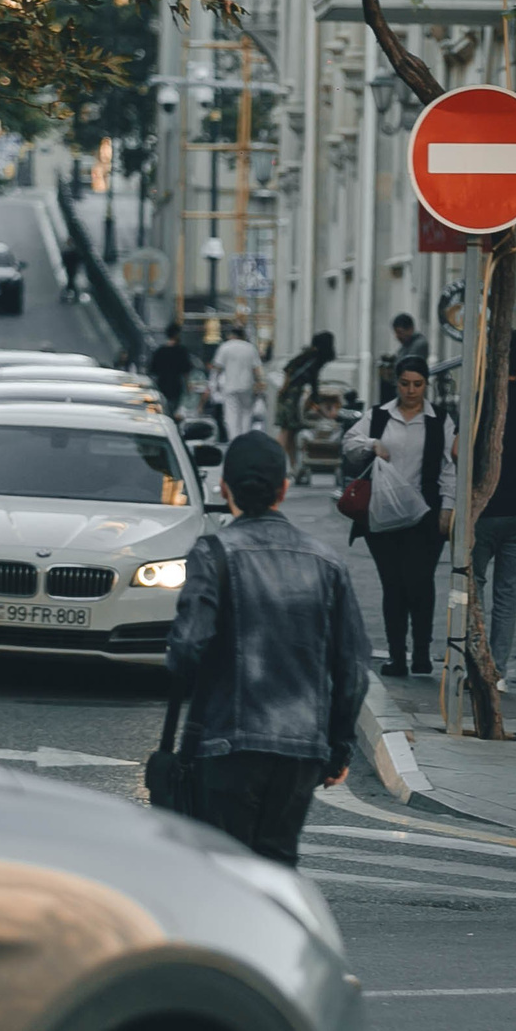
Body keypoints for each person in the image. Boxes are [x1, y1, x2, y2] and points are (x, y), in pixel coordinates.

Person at [163, 431, 369, 864]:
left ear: (224, 488)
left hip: (226, 746)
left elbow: (184, 652)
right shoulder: (327, 562)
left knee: (225, 871)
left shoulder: (212, 553)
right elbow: (352, 670)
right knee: (278, 865)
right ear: (284, 489)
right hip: (300, 750)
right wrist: (339, 750)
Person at [341, 356, 456, 677]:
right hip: (382, 515)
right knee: (393, 585)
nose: (411, 390)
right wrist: (372, 443)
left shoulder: (440, 421)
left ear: (426, 385)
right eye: (405, 384)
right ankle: (396, 655)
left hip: (425, 516)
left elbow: (450, 467)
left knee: (420, 583)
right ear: (397, 384)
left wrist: (447, 507)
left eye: (418, 384)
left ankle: (421, 653)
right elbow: (349, 443)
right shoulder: (378, 417)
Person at [471, 332, 516, 685]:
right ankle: (495, 669)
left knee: (474, 588)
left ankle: (475, 660)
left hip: (485, 508)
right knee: (507, 594)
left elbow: (461, 452)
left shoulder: (482, 403)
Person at [279, 330, 337, 476]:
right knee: (287, 431)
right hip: (291, 395)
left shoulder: (313, 356)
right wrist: (284, 389)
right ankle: (280, 464)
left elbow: (313, 382)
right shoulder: (312, 357)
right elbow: (290, 369)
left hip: (292, 394)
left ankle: (292, 466)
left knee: (291, 432)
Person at [213, 322, 264, 438]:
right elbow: (257, 370)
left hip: (230, 387)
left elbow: (217, 369)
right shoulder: (250, 348)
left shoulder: (225, 347)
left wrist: (214, 386)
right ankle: (245, 438)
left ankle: (234, 440)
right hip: (247, 387)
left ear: (231, 334)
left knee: (231, 417)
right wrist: (260, 385)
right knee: (246, 415)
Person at [151, 321, 194, 418]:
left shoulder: (160, 351)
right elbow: (186, 371)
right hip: (176, 385)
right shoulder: (181, 351)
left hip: (162, 384)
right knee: (173, 410)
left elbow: (154, 371)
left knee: (163, 408)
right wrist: (188, 386)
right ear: (176, 334)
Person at [381, 313, 429, 385]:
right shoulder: (406, 345)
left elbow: (408, 365)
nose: (397, 336)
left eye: (400, 332)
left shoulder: (419, 344)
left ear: (410, 329)